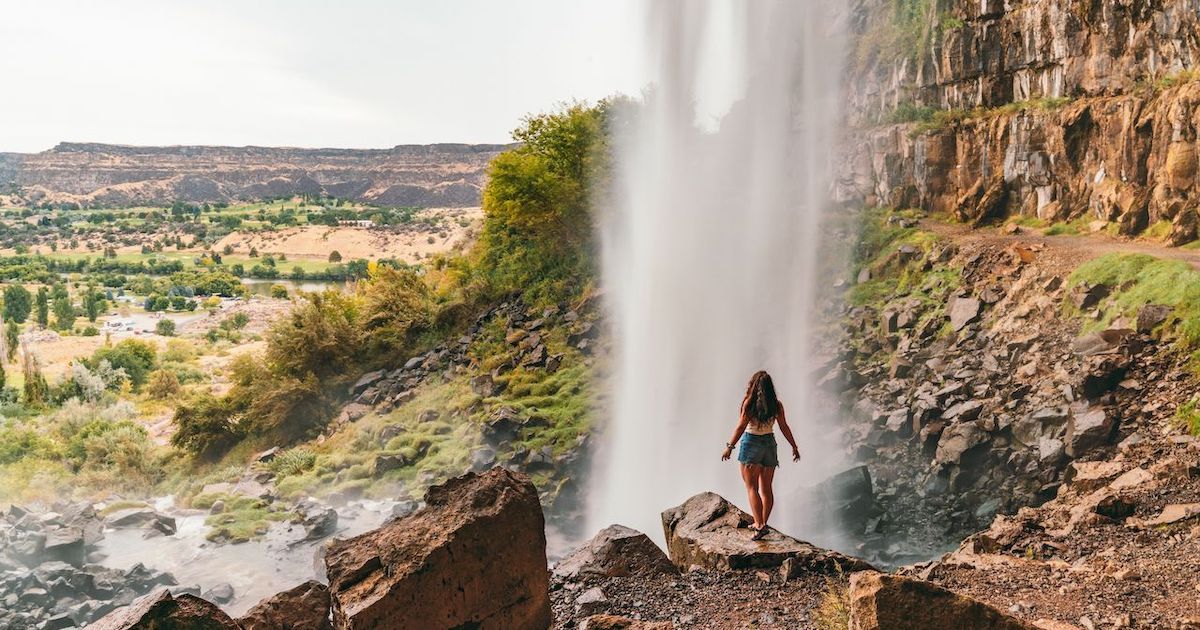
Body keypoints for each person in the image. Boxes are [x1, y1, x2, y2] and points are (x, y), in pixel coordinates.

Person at [721, 370, 800, 540]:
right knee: (766, 488)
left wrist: (729, 447)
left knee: (751, 488)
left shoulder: (749, 403)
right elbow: (784, 426)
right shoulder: (776, 404)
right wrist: (794, 446)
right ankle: (762, 523)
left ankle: (759, 524)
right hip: (770, 445)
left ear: (753, 385)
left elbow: (741, 426)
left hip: (751, 444)